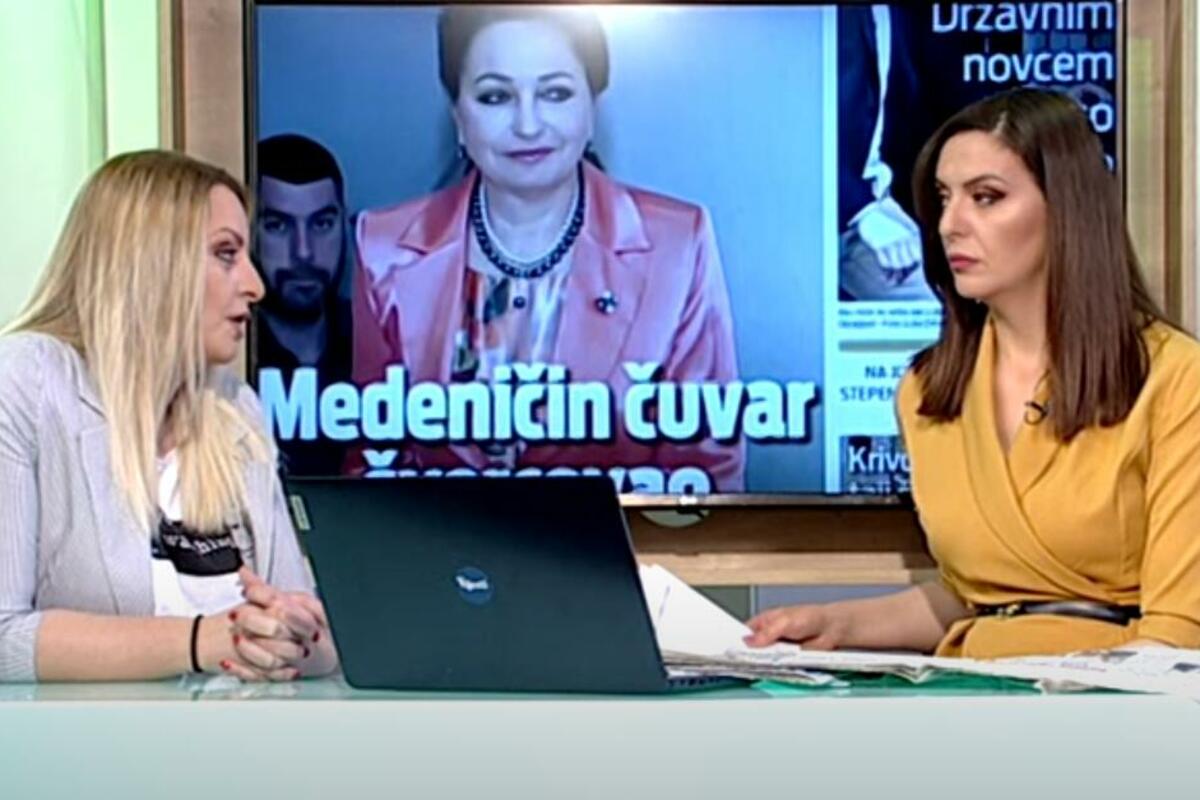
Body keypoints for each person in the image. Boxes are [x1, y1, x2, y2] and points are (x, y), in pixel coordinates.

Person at [747, 88, 1200, 658]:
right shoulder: (928, 391)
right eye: (943, 198)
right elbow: (982, 601)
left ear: (1068, 208)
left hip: (1120, 691)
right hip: (974, 690)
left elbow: (1179, 633)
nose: (949, 224)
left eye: (986, 198)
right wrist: (837, 625)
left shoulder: (1175, 380)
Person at [353, 5, 744, 493]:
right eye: (496, 97)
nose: (528, 125)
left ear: (592, 107)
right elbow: (370, 465)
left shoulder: (678, 241)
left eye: (555, 93)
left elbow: (707, 472)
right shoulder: (382, 246)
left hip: (624, 541)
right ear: (458, 115)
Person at [0, 150, 338, 682]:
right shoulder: (26, 383)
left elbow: (317, 636)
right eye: (226, 254)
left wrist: (294, 635)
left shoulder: (235, 408)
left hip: (250, 731)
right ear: (152, 263)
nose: (255, 285)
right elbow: (4, 638)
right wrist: (205, 640)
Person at [253, 133, 353, 475]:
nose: (304, 252)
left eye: (322, 224)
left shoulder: (382, 342)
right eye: (277, 226)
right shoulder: (225, 359)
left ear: (344, 223)